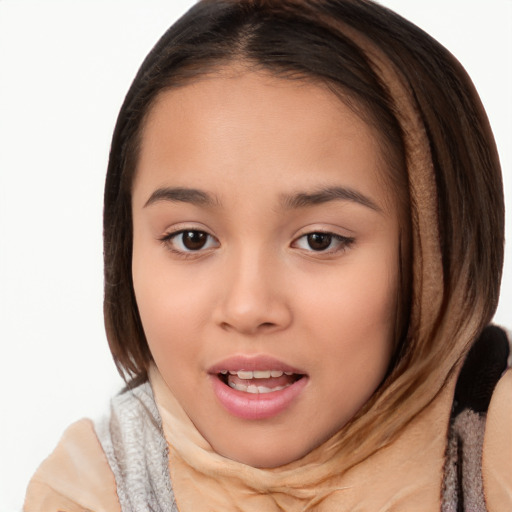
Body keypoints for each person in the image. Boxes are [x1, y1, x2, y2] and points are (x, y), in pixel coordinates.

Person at [24, 0, 511, 510]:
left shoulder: (493, 451)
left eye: (319, 240)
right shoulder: (93, 490)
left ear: (439, 258)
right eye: (192, 238)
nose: (247, 307)